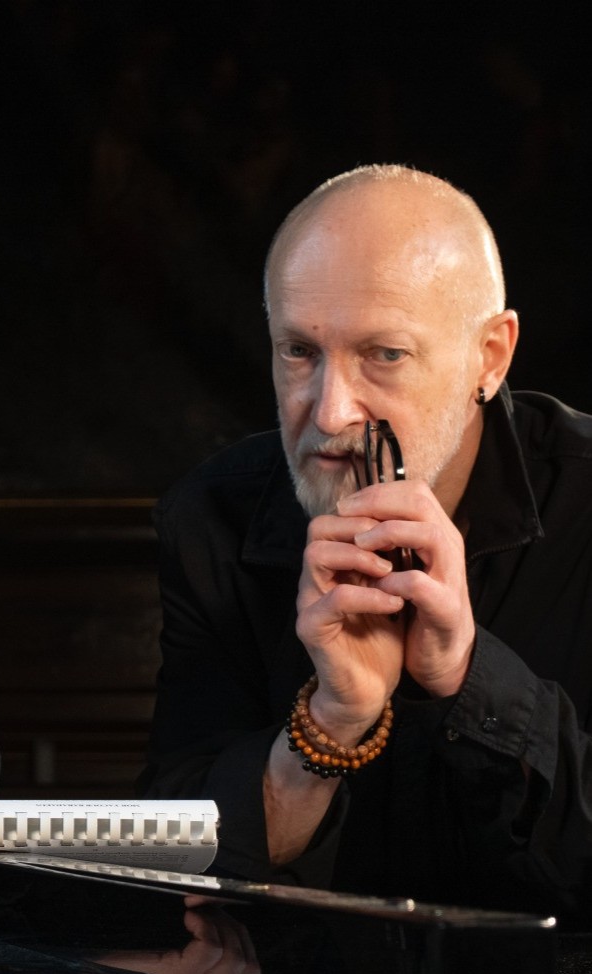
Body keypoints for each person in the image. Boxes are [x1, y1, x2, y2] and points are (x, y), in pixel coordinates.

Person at [141, 163, 592, 920]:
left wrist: (466, 673)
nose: (330, 413)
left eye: (384, 355)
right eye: (299, 351)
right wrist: (329, 723)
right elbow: (177, 864)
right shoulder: (212, 518)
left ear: (490, 357)